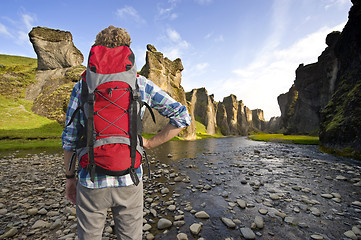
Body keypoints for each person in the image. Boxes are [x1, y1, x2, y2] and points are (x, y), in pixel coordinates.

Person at [61, 25, 191, 240]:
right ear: (127, 49)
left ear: (97, 48)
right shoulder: (140, 83)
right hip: (130, 178)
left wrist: (69, 179)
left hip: (90, 180)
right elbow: (182, 116)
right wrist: (149, 143)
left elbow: (70, 139)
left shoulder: (82, 85)